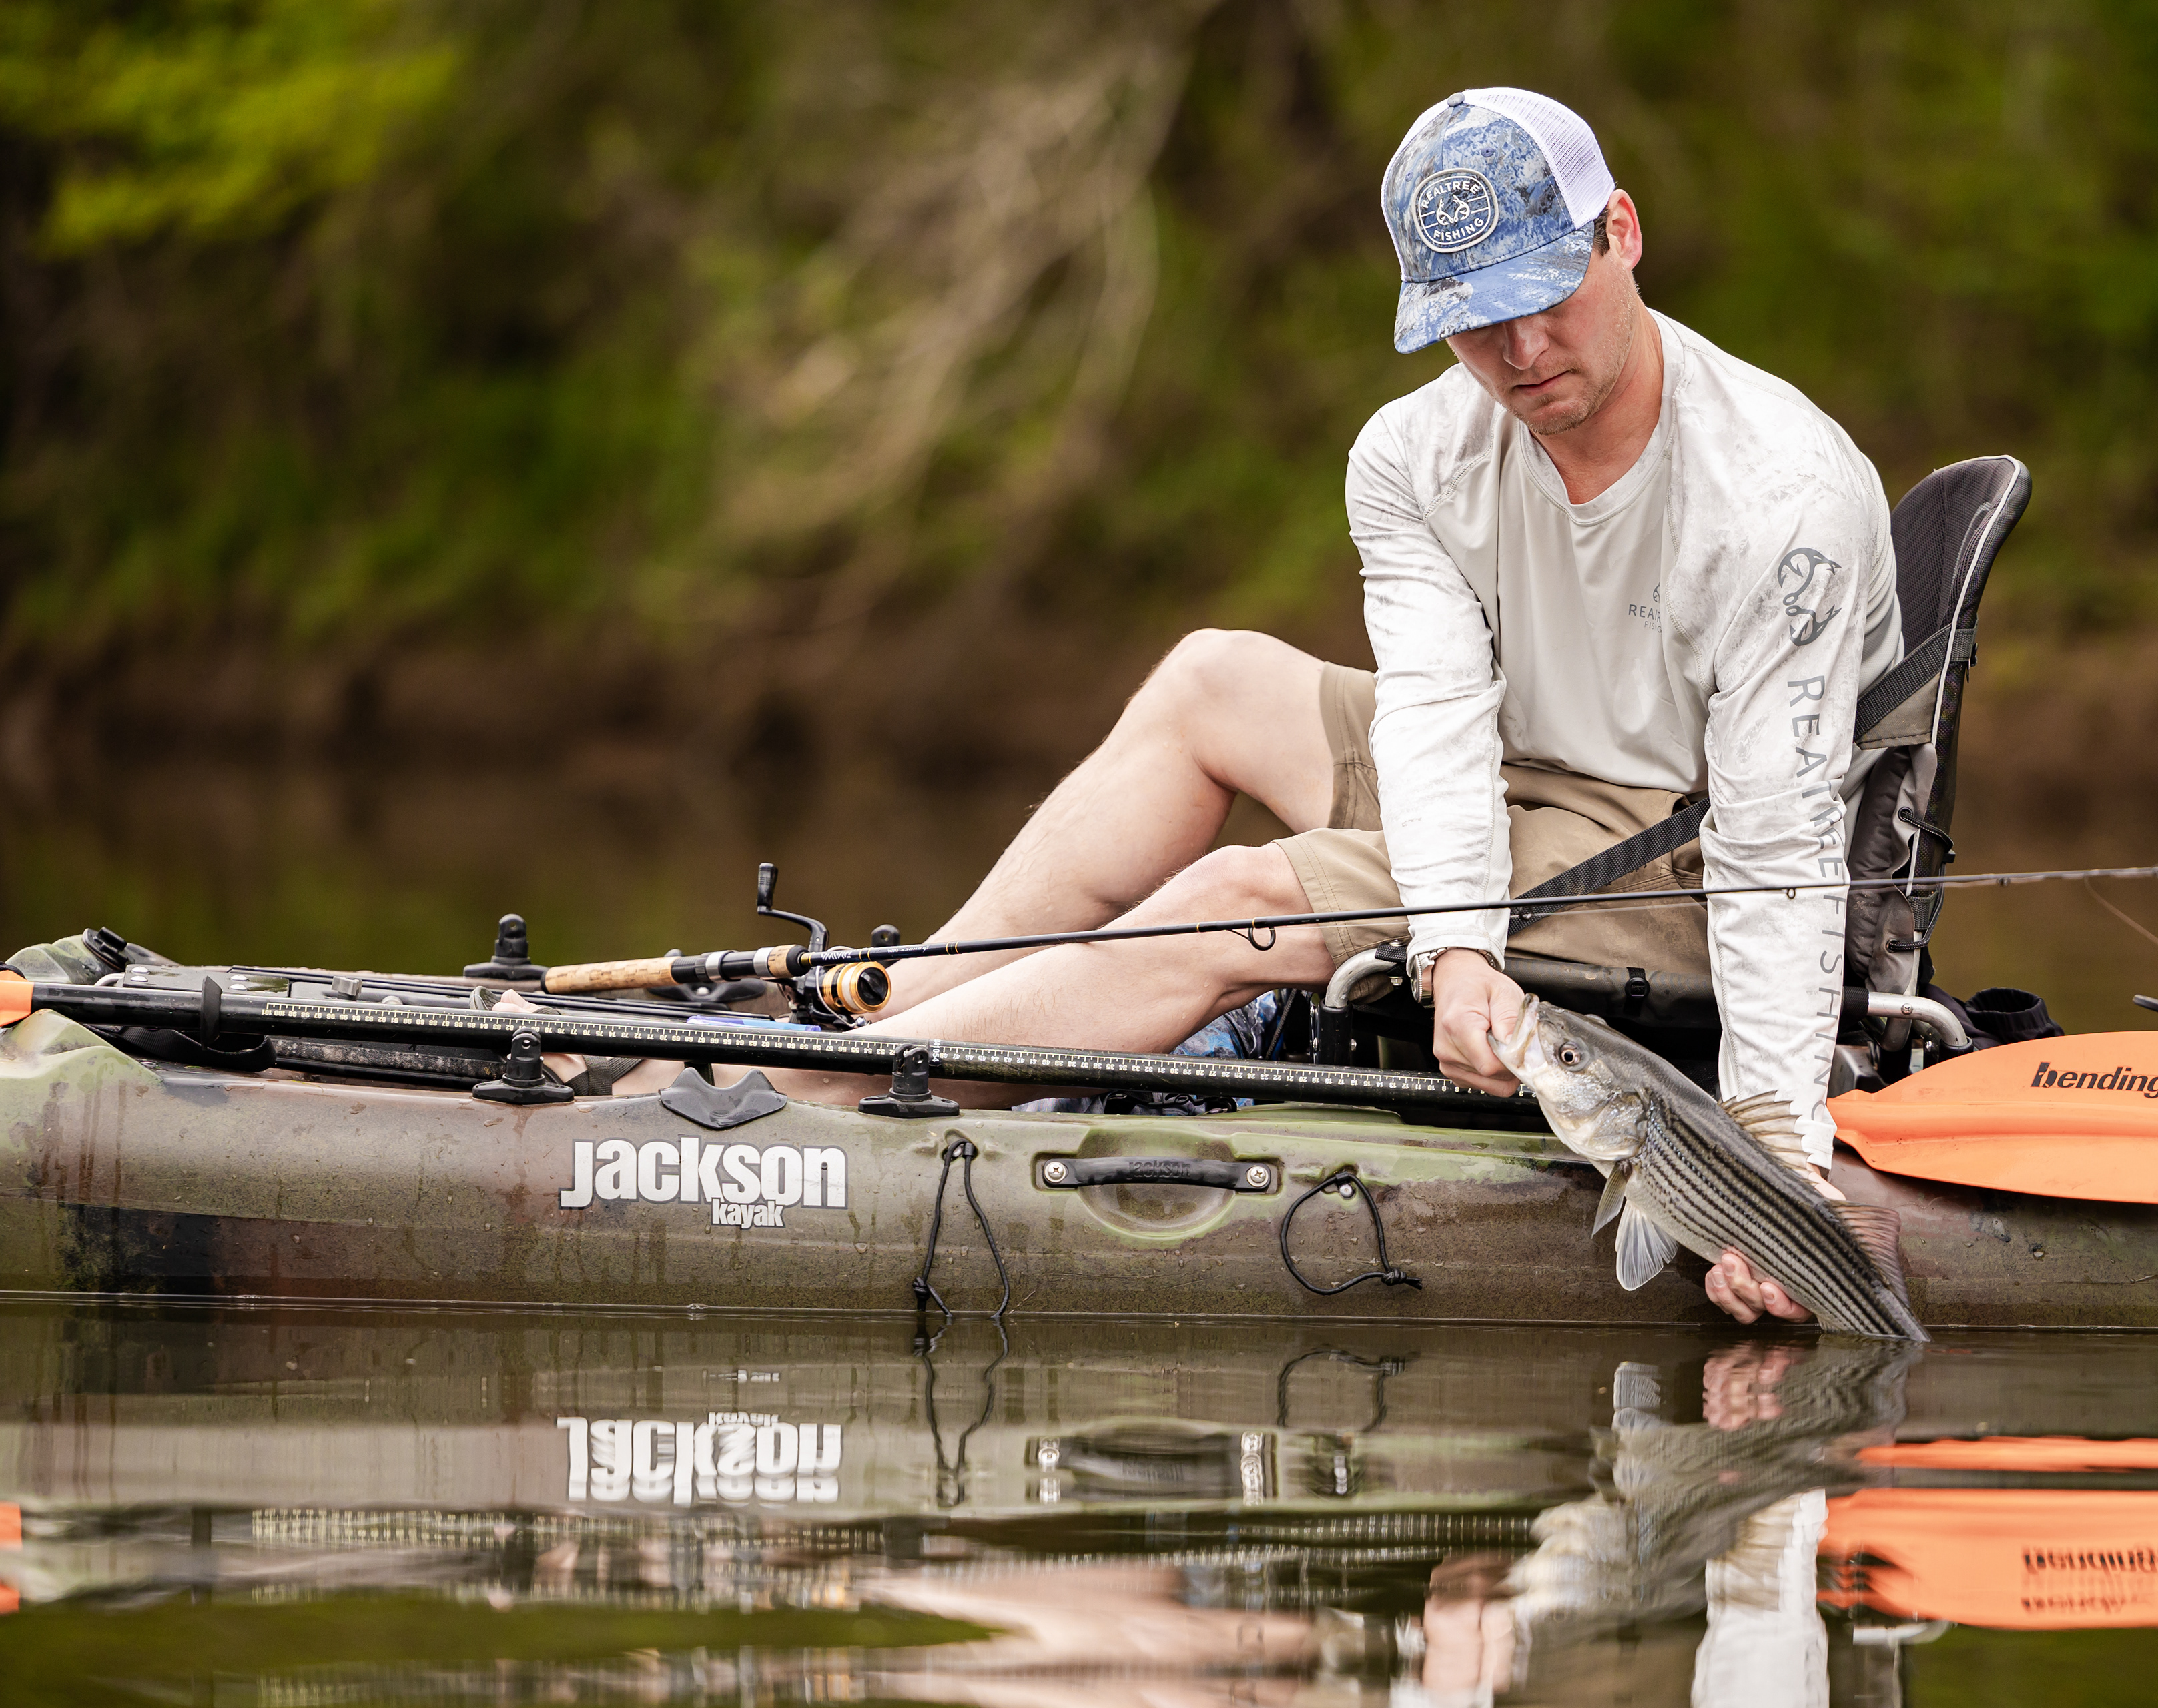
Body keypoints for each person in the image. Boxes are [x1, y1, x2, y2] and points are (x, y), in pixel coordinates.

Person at [634, 89, 1904, 1327]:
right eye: (1475, 323)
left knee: (1233, 900)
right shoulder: (1409, 457)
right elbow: (1438, 719)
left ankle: (809, 1090)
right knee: (1209, 681)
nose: (1520, 356)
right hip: (1523, 778)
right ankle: (900, 1001)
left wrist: (1777, 1151)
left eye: (1546, 300)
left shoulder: (1780, 494)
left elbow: (1780, 852)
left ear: (1619, 232)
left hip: (1688, 848)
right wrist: (1458, 948)